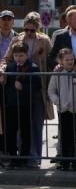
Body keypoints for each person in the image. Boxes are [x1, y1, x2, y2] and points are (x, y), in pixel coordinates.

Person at [2, 12, 53, 167]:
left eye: (32, 30)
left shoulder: (45, 40)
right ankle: (19, 157)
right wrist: (2, 70)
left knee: (36, 124)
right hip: (18, 89)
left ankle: (34, 157)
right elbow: (6, 59)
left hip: (37, 88)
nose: (29, 33)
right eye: (26, 29)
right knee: (19, 125)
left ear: (37, 29)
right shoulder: (17, 39)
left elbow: (51, 60)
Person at [0, 43, 42, 168]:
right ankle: (13, 157)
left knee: (25, 132)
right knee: (11, 132)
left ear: (26, 55)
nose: (18, 58)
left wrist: (24, 87)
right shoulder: (10, 67)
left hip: (25, 105)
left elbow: (37, 86)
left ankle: (24, 158)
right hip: (11, 105)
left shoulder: (33, 68)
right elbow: (7, 86)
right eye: (16, 55)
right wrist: (3, 82)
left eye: (21, 55)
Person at [48, 48, 76, 171]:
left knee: (75, 135)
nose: (70, 61)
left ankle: (74, 161)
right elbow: (51, 90)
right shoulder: (57, 74)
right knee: (64, 136)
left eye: (72, 59)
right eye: (67, 60)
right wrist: (58, 101)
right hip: (63, 109)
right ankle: (64, 162)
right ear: (61, 61)